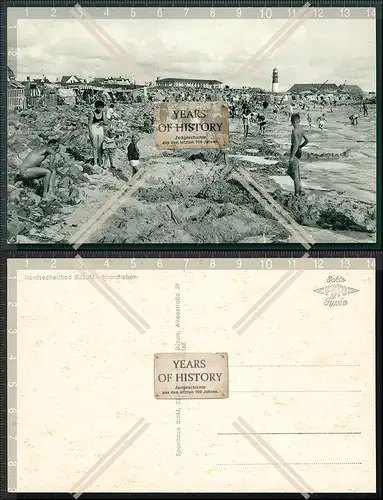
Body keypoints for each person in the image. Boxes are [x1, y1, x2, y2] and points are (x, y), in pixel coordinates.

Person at [288, 113, 309, 197]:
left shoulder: (294, 131)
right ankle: (300, 188)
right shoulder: (301, 130)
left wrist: (292, 156)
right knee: (295, 171)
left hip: (294, 150)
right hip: (299, 151)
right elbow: (307, 140)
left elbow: (296, 144)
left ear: (293, 121)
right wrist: (301, 146)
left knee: (294, 174)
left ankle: (297, 193)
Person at [88, 100, 106, 166]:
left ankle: (100, 162)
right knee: (94, 146)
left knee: (100, 146)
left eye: (101, 107)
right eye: (98, 107)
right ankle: (95, 162)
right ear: (96, 107)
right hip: (94, 128)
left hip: (100, 128)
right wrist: (90, 133)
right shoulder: (92, 113)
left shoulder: (103, 113)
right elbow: (89, 124)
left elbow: (106, 121)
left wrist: (103, 122)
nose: (99, 109)